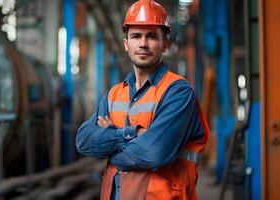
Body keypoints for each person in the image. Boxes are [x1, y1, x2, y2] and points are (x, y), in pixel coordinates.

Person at [76, 0, 210, 199]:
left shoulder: (178, 92)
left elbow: (154, 153)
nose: (143, 44)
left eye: (152, 36)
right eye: (136, 36)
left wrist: (109, 145)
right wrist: (133, 133)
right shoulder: (114, 94)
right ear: (126, 44)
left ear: (165, 43)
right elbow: (83, 141)